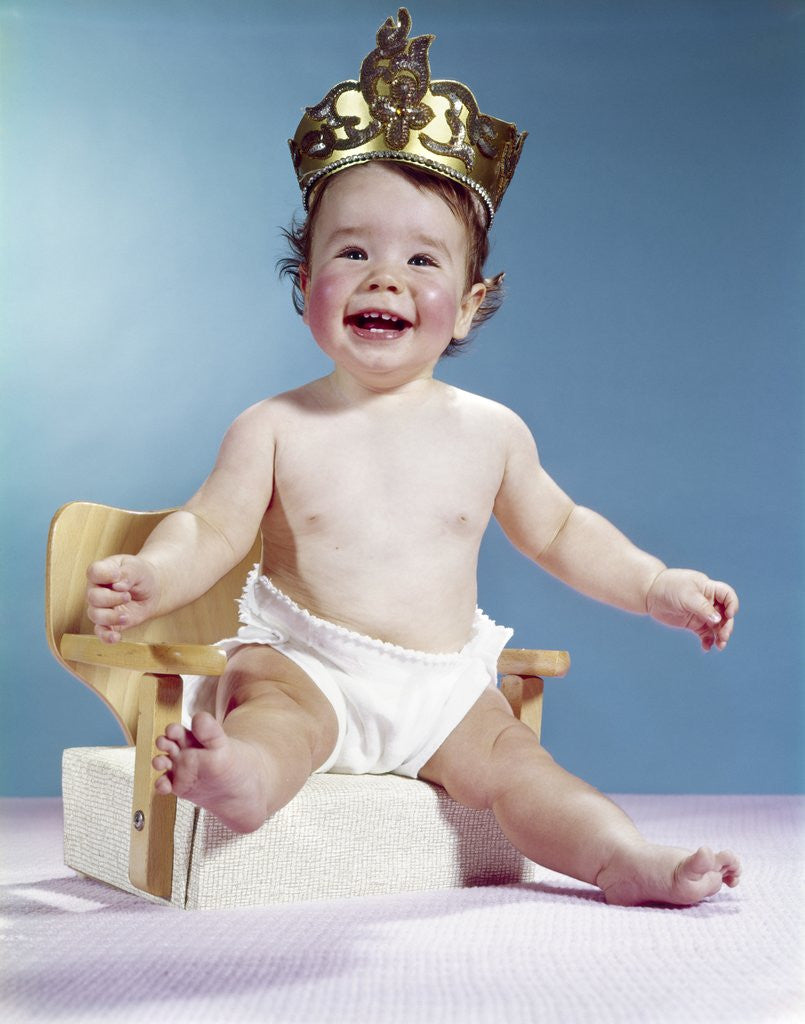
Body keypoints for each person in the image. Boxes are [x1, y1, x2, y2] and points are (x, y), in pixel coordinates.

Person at [85, 9, 740, 906]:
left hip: (442, 687)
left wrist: (654, 584)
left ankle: (619, 858)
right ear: (304, 288)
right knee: (274, 717)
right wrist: (156, 578)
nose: (383, 277)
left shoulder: (491, 432)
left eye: (420, 260)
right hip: (306, 663)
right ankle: (235, 780)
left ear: (469, 305)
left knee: (519, 767)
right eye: (350, 251)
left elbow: (560, 530)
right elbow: (208, 526)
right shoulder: (274, 425)